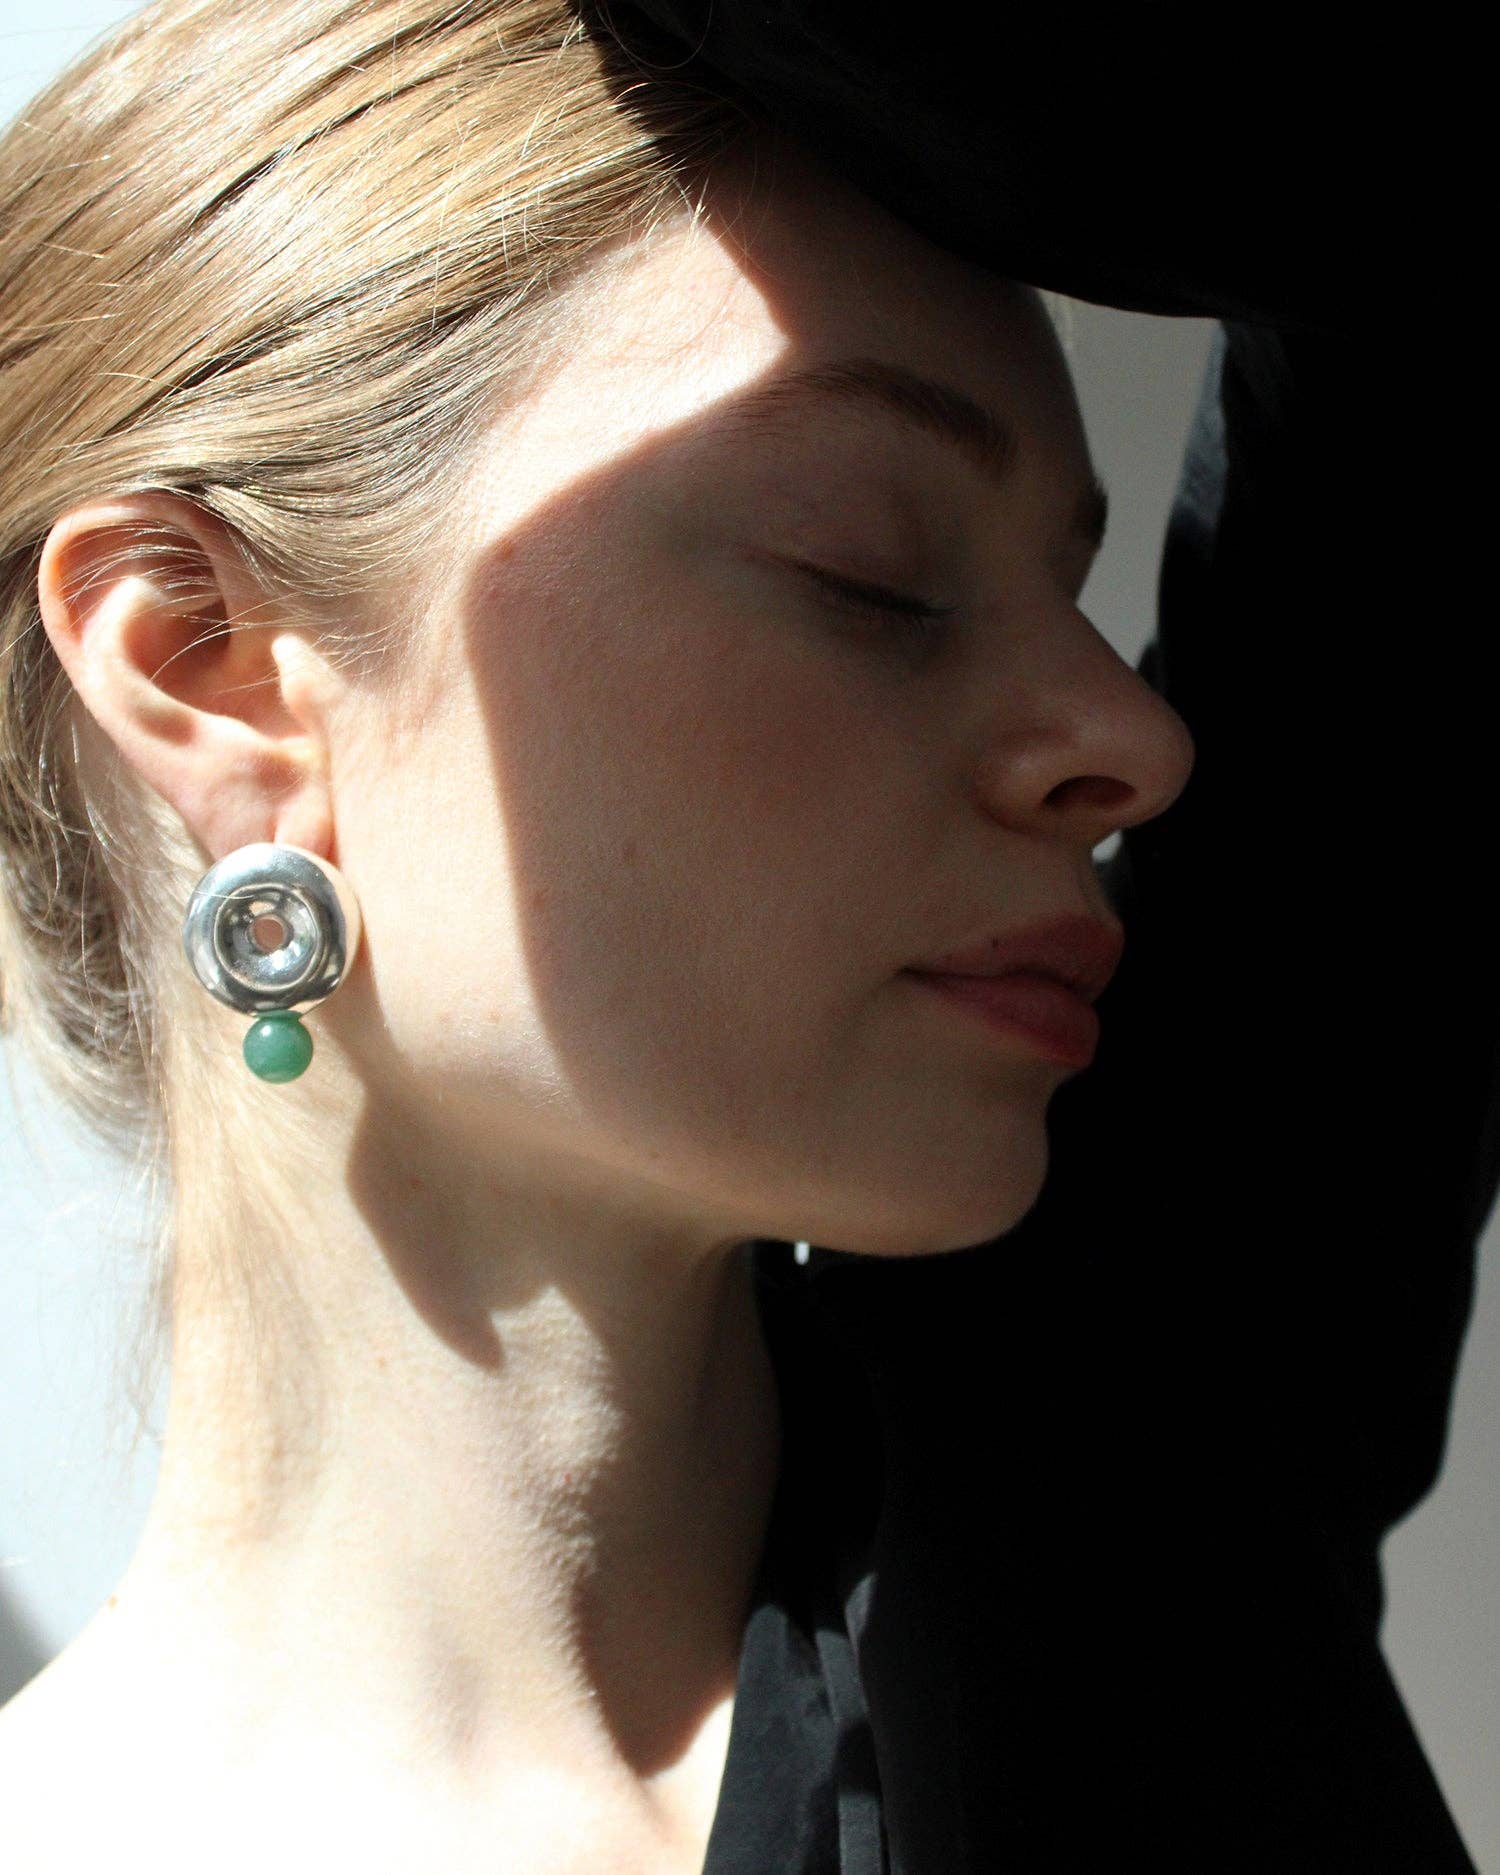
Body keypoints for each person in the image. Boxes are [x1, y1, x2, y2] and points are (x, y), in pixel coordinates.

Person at [0, 5, 1486, 1874]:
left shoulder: (1138, 1473)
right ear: (203, 664)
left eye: (1075, 590)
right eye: (874, 578)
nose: (1134, 737)